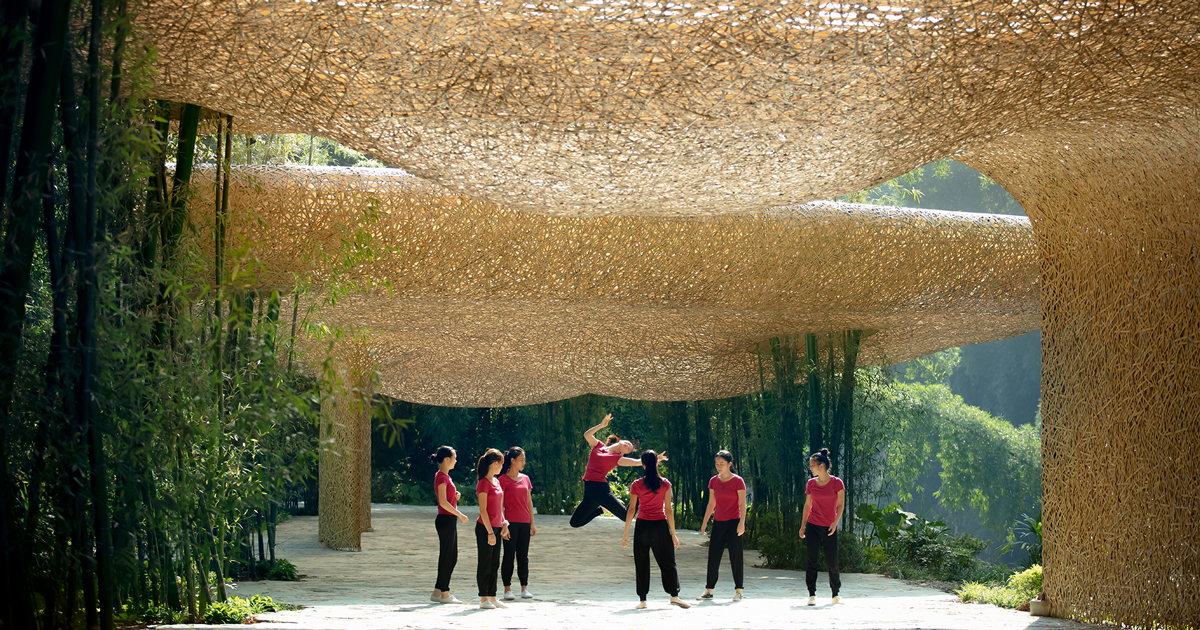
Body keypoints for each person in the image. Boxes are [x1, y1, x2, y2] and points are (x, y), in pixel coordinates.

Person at [570, 413, 666, 527]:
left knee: (626, 516)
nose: (627, 445)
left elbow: (637, 462)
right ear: (621, 441)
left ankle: (639, 495)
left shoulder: (617, 458)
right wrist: (601, 425)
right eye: (628, 443)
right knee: (575, 523)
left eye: (629, 449)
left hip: (601, 490)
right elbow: (587, 435)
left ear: (622, 453)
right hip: (589, 491)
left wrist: (656, 459)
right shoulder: (599, 446)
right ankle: (601, 510)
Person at [622, 450, 690, 610]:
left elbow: (631, 510)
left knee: (641, 563)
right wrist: (673, 534)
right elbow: (669, 510)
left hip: (642, 526)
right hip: (660, 526)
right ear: (657, 463)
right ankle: (674, 596)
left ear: (643, 465)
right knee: (667, 562)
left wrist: (625, 534)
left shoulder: (636, 484)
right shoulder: (665, 483)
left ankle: (643, 600)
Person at [695, 450, 747, 602]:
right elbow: (712, 503)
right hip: (718, 522)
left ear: (730, 464)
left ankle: (739, 590)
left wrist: (742, 523)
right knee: (713, 557)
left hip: (734, 522)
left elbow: (743, 504)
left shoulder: (738, 481)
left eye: (722, 464)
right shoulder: (713, 481)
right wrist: (705, 522)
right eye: (717, 464)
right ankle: (709, 590)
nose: (719, 466)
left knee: (736, 557)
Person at [799, 447, 845, 605]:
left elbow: (841, 505)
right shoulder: (811, 483)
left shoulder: (837, 483)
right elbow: (807, 505)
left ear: (821, 466)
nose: (810, 468)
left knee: (832, 561)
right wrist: (803, 525)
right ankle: (811, 594)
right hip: (813, 526)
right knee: (811, 560)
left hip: (829, 527)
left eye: (812, 465)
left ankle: (835, 594)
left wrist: (835, 522)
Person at [430, 446, 470, 604]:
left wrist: (455, 495)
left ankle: (437, 591)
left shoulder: (445, 477)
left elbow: (447, 496)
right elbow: (442, 502)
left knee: (452, 556)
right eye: (454, 458)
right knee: (447, 556)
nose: (456, 461)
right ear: (447, 459)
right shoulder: (441, 476)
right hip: (446, 519)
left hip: (449, 519)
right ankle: (445, 594)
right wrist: (460, 514)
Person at [499, 446, 536, 600]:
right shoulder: (502, 480)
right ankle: (507, 589)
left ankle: (524, 588)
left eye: (524, 460)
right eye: (521, 460)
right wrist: (503, 524)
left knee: (523, 556)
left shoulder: (526, 479)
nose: (523, 463)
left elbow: (529, 502)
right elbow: (499, 505)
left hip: (524, 522)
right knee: (508, 555)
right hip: (510, 523)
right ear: (512, 460)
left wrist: (532, 524)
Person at [475, 448, 510, 609]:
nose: (502, 467)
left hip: (497, 527)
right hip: (485, 528)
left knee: (495, 563)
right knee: (485, 562)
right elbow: (483, 510)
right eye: (501, 464)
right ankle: (483, 598)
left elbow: (498, 507)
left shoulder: (496, 482)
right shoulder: (483, 483)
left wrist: (504, 524)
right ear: (495, 463)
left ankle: (492, 596)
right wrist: (490, 532)